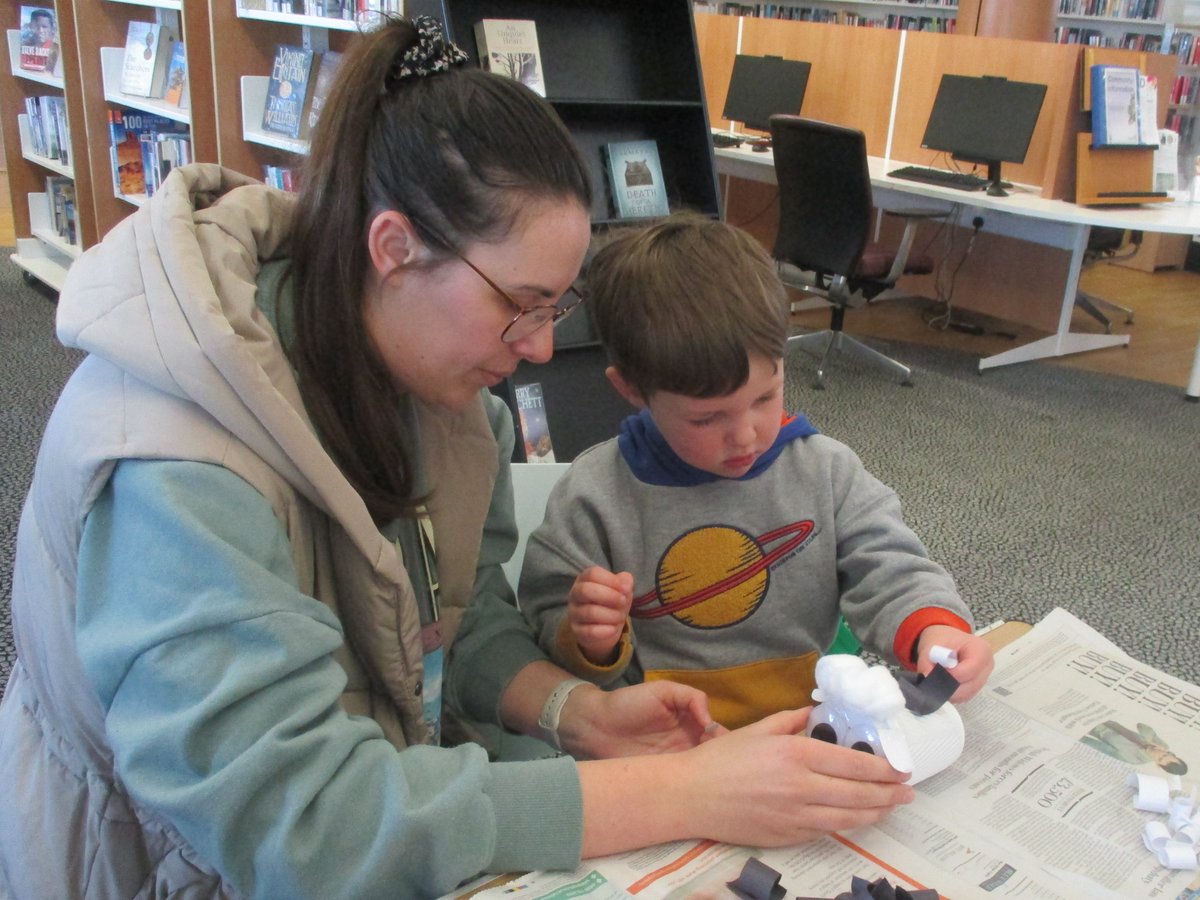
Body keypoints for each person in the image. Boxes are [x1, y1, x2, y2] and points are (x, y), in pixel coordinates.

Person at [0, 17, 916, 900]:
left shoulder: (441, 396)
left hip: (389, 797)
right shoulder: (171, 465)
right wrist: (685, 790)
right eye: (520, 303)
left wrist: (575, 709)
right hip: (162, 869)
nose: (537, 350)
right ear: (394, 248)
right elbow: (303, 827)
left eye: (554, 309)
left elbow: (459, 621)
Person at [520, 214, 995, 731]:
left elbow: (889, 565)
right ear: (632, 390)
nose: (745, 435)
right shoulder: (593, 496)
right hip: (662, 743)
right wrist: (587, 635)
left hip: (807, 723)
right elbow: (545, 622)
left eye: (766, 397)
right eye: (708, 417)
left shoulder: (826, 471)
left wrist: (934, 629)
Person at [1080, 720, 1189, 775]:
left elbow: (1099, 748)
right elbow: (1140, 726)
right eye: (1166, 754)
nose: (1159, 753)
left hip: (1088, 726)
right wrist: (1150, 741)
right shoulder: (1160, 744)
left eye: (1160, 759)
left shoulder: (1134, 759)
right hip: (1104, 719)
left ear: (1158, 765)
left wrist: (1078, 736)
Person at [19, 7, 58, 74]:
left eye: (44, 27)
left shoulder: (56, 49)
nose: (40, 30)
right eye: (37, 26)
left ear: (51, 28)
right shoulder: (23, 46)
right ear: (31, 26)